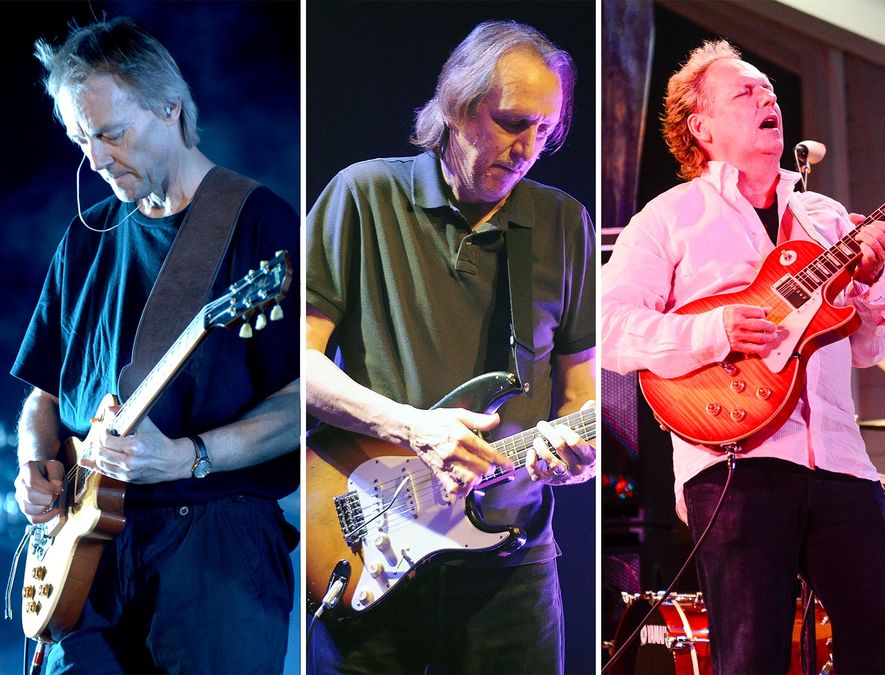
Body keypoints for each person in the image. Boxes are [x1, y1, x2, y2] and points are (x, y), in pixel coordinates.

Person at [10, 17, 300, 674]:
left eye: (110, 133)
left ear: (169, 107)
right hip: (84, 557)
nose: (95, 159)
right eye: (79, 139)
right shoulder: (86, 236)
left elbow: (299, 400)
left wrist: (192, 456)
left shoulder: (258, 223)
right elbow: (43, 395)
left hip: (212, 544)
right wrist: (35, 464)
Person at [305, 20, 596, 674]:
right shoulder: (362, 194)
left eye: (545, 131)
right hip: (368, 541)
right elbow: (299, 362)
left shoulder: (563, 223)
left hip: (509, 561)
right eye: (513, 122)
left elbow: (585, 397)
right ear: (456, 109)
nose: (528, 148)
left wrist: (579, 451)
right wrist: (414, 428)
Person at [601, 40, 885, 674]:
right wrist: (715, 332)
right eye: (746, 92)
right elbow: (610, 328)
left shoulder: (824, 218)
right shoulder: (670, 217)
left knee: (882, 644)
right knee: (749, 658)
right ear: (700, 126)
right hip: (735, 462)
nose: (768, 98)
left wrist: (871, 278)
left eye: (769, 90)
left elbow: (876, 344)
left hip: (843, 463)